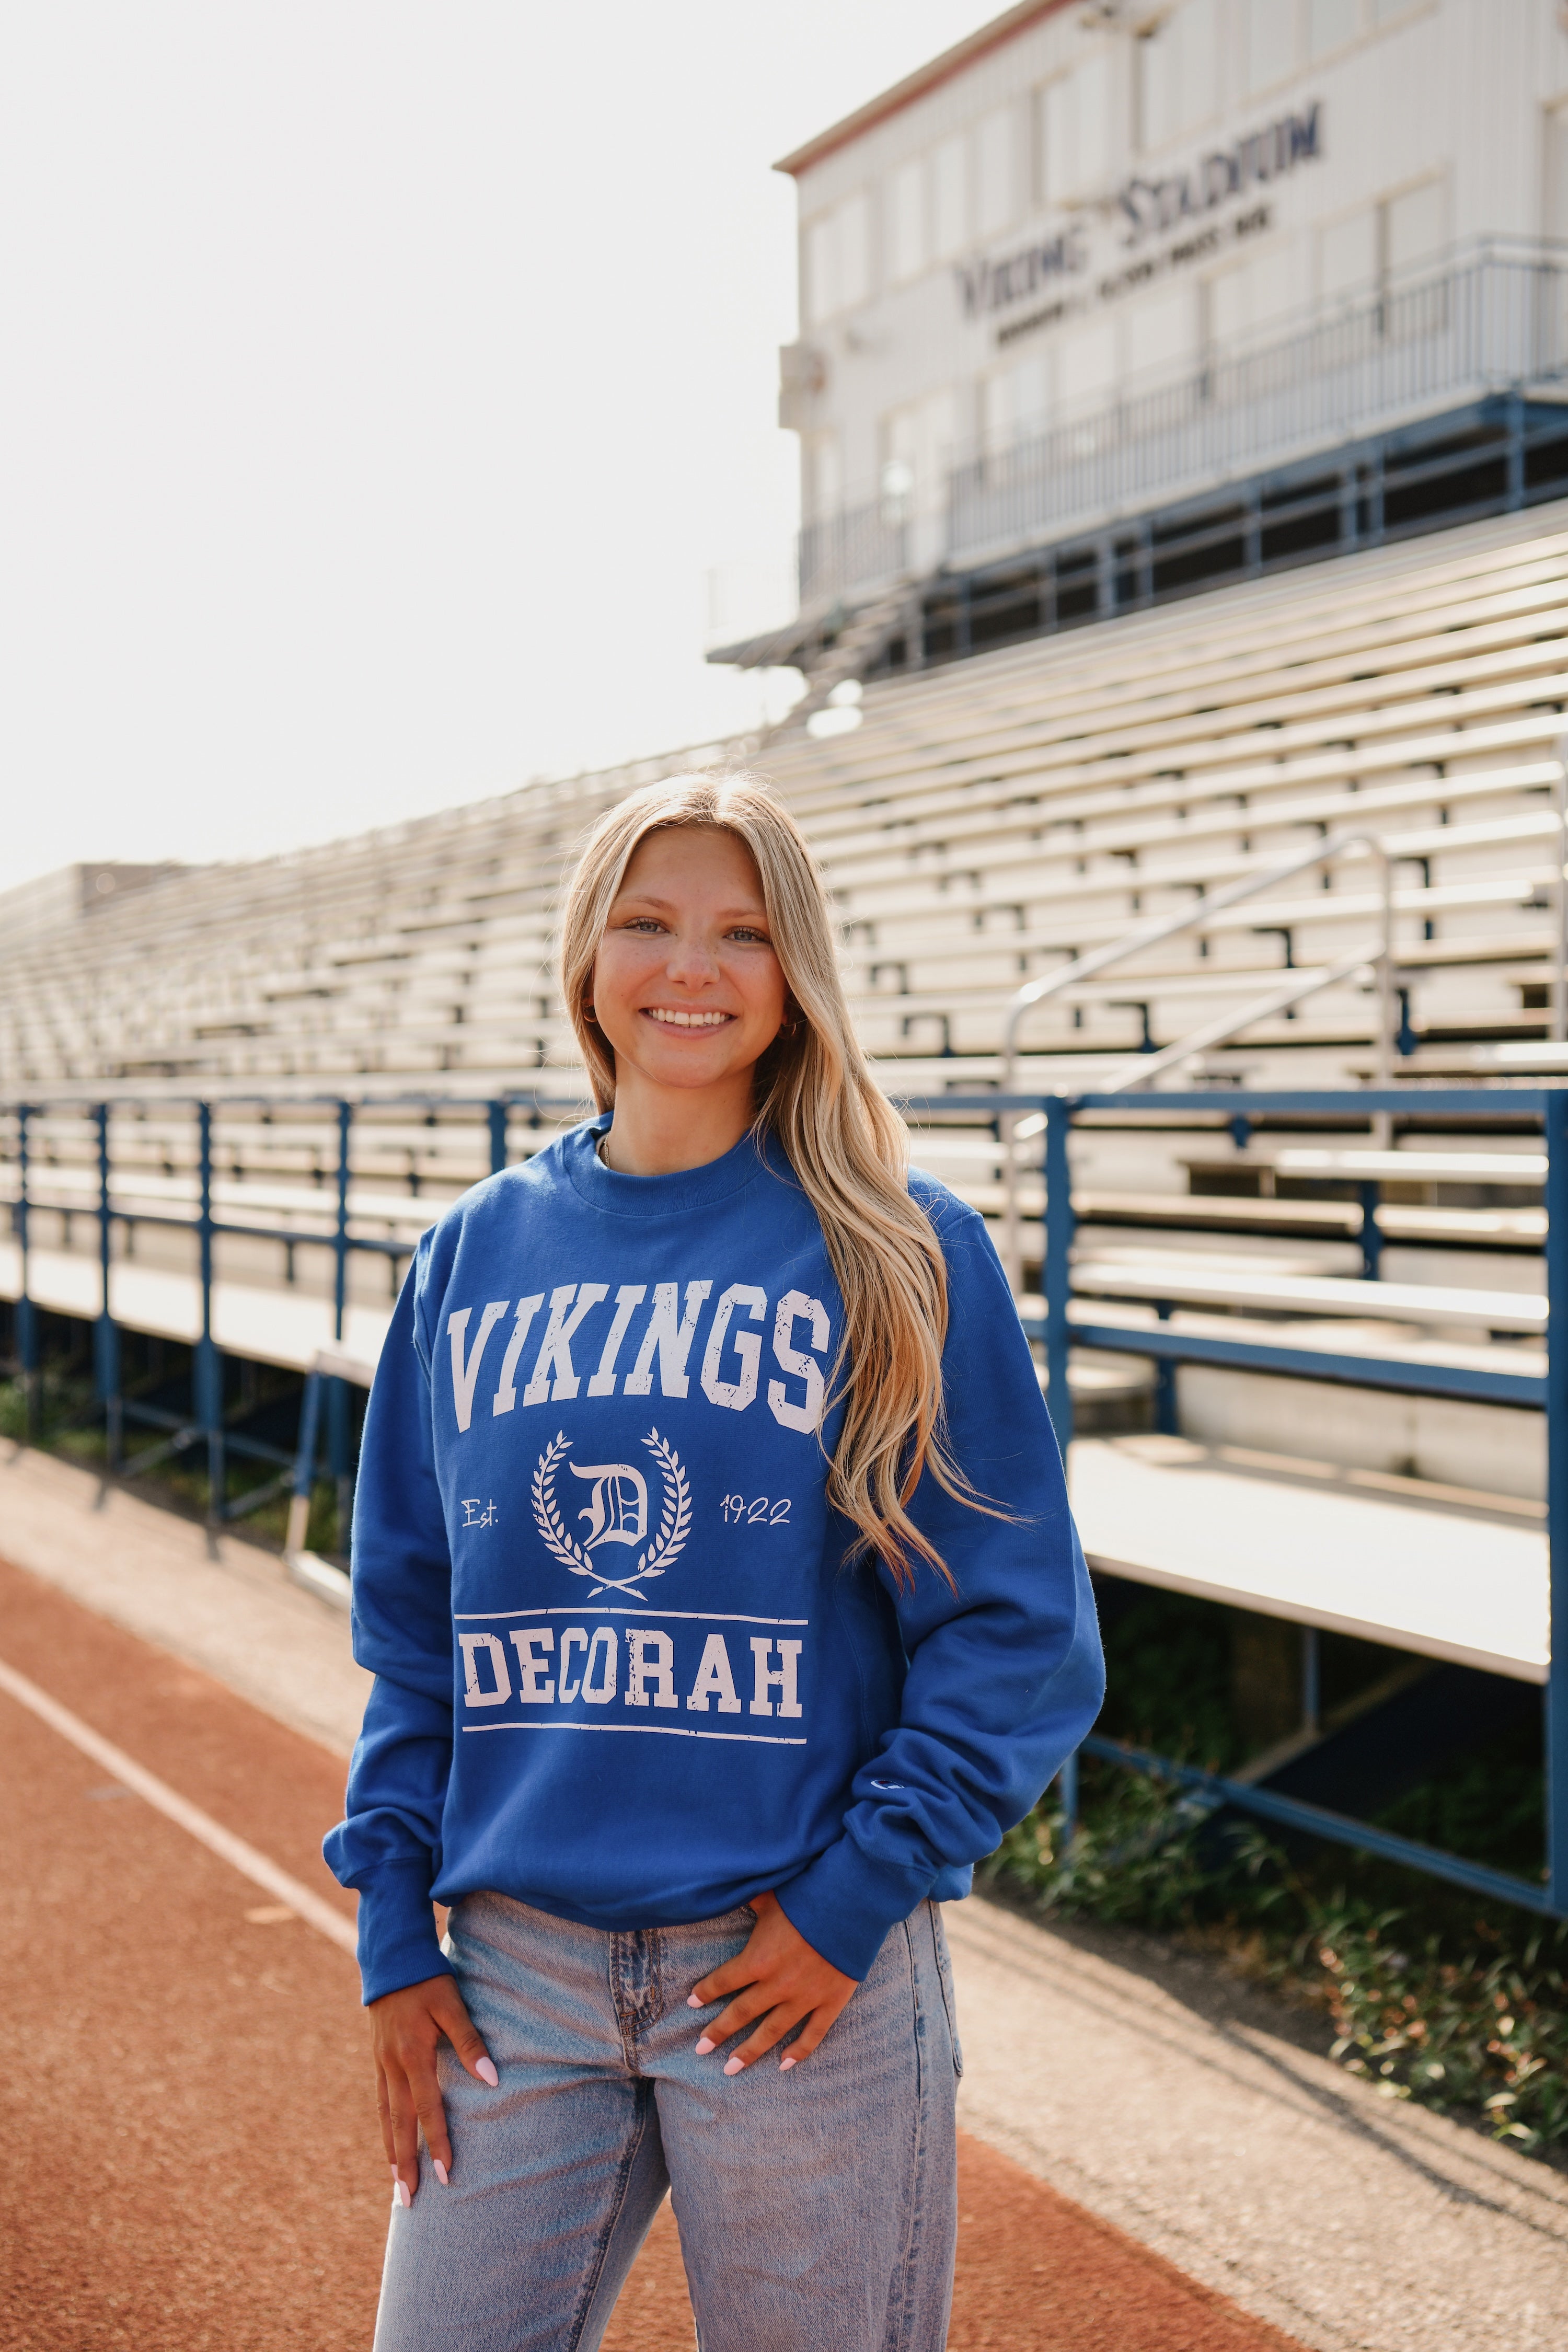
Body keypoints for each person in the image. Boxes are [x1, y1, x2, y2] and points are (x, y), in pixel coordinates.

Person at [325, 771, 1104, 2352]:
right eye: (651, 921)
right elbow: (417, 1630)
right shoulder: (471, 1254)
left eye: (744, 932)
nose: (694, 966)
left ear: (795, 970)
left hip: (792, 1958)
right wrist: (394, 1923)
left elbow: (1017, 1629)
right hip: (513, 1975)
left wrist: (849, 1899)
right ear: (587, 954)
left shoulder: (899, 1242)